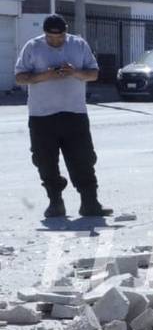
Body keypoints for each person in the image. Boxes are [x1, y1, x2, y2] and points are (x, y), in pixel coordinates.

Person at [14, 14, 113, 219]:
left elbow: (93, 73)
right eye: (51, 37)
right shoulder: (33, 47)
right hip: (42, 116)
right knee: (44, 161)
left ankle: (90, 203)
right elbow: (20, 77)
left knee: (83, 159)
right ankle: (55, 203)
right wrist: (45, 76)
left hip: (74, 113)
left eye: (60, 37)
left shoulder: (78, 45)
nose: (56, 41)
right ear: (45, 33)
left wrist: (74, 72)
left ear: (66, 32)